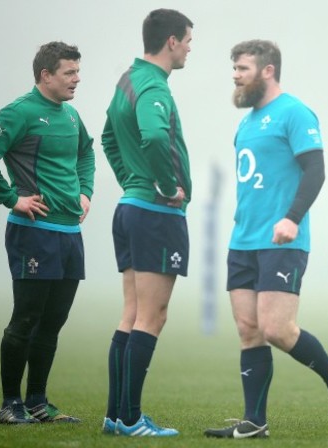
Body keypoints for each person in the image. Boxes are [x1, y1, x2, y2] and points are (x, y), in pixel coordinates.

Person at [204, 40, 328, 439]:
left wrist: (292, 218)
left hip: (282, 240)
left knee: (277, 329)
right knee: (248, 329)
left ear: (268, 70)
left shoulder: (294, 112)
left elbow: (315, 171)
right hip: (243, 241)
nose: (236, 75)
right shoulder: (247, 122)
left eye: (242, 68)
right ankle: (254, 421)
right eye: (234, 69)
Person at [0, 41, 95, 424]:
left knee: (54, 320)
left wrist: (85, 193)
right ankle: (11, 404)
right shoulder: (21, 111)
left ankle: (38, 401)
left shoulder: (71, 116)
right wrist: (10, 198)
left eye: (77, 71)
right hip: (33, 232)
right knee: (26, 317)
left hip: (69, 233)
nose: (77, 79)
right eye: (69, 72)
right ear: (46, 75)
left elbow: (87, 152)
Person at [100, 8, 193, 438]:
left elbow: (107, 139)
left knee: (132, 313)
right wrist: (164, 183)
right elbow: (155, 137)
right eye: (188, 40)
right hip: (156, 213)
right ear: (171, 41)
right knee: (151, 316)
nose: (190, 48)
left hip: (130, 208)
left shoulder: (126, 81)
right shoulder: (154, 86)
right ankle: (133, 419)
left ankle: (116, 417)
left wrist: (131, 181)